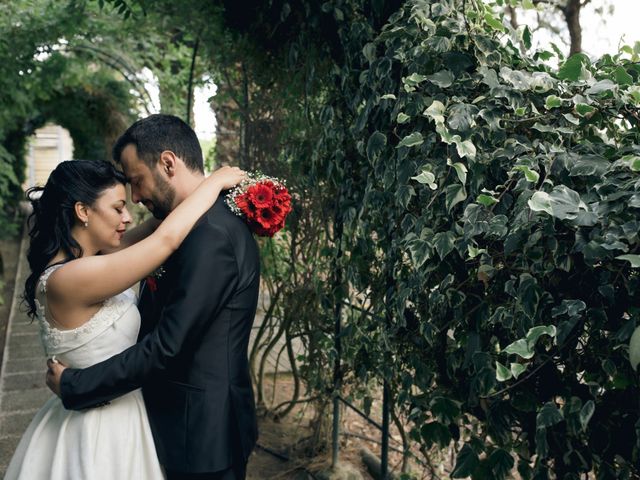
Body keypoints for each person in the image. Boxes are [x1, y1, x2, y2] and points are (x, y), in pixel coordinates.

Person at [46, 114, 261, 480]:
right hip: (171, 426)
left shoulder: (210, 236)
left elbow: (167, 345)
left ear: (167, 163)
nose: (136, 197)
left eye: (136, 181)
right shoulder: (185, 224)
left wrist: (75, 385)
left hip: (203, 438)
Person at [5, 158, 245, 479]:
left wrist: (185, 191)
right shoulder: (71, 278)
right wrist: (214, 182)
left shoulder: (92, 259)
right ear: (83, 211)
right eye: (118, 208)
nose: (128, 216)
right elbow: (165, 241)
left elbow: (160, 226)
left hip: (119, 412)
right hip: (98, 431)